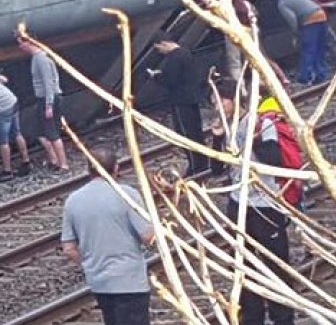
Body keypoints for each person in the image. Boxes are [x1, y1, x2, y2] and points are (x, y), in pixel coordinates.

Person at [214, 81, 295, 325]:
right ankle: (252, 318)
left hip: (265, 204)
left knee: (275, 262)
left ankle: (283, 317)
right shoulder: (228, 126)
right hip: (238, 202)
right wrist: (217, 140)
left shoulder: (262, 123)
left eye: (221, 101)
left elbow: (274, 160)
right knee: (243, 263)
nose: (218, 107)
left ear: (234, 99)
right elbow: (216, 168)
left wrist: (255, 140)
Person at [61, 146, 154, 325]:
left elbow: (69, 249)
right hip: (130, 280)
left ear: (89, 169)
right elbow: (148, 237)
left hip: (99, 282)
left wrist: (89, 262)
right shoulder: (127, 195)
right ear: (116, 168)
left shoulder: (73, 200)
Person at [147, 31, 209, 176]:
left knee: (186, 134)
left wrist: (156, 77)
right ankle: (202, 162)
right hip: (191, 99)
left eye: (159, 48)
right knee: (196, 132)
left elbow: (170, 80)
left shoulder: (174, 58)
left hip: (181, 101)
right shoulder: (186, 53)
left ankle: (196, 166)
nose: (160, 52)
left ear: (164, 43)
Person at [17, 38, 70, 172]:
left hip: (49, 98)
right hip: (44, 99)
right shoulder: (36, 58)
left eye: (21, 43)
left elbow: (48, 83)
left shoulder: (41, 60)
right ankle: (54, 160)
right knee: (40, 131)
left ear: (29, 42)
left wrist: (49, 105)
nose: (20, 46)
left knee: (52, 133)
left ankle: (63, 164)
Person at [226, 0, 290, 90]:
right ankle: (281, 79)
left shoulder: (232, 7)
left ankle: (242, 90)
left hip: (238, 31)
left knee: (236, 63)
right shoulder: (245, 4)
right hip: (250, 30)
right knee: (261, 56)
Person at [269, 0, 329, 85]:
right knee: (319, 48)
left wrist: (296, 34)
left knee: (308, 50)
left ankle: (304, 77)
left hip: (310, 21)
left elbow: (292, 19)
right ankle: (321, 75)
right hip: (322, 16)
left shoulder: (282, 3)